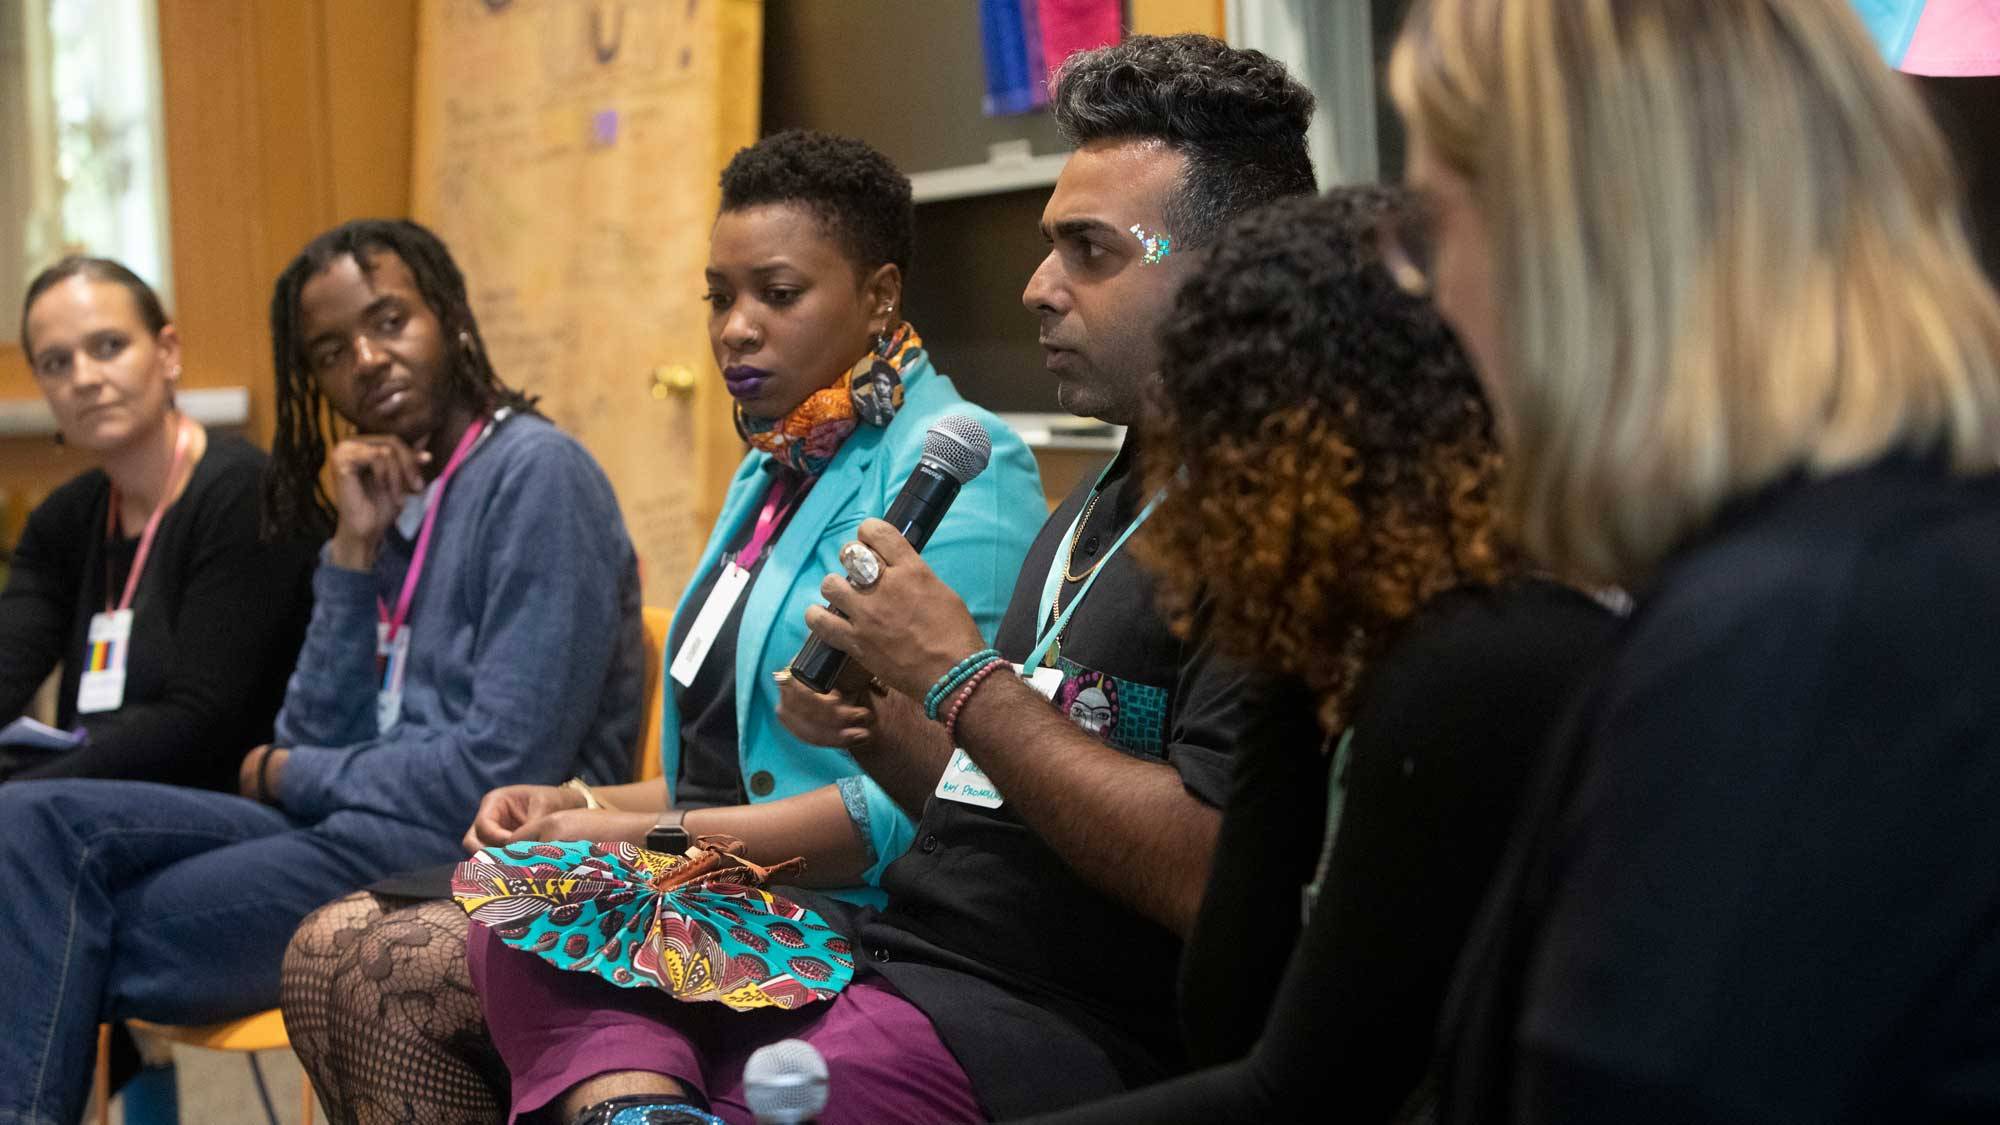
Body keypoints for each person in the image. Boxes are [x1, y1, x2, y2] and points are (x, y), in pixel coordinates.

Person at [465, 34, 1319, 1125]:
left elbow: (1209, 874)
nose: (1037, 287)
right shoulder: (1092, 509)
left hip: (1044, 1021)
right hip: (909, 965)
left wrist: (957, 674)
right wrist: (884, 724)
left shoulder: (1274, 527)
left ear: (1229, 274)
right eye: (1047, 246)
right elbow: (995, 809)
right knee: (529, 917)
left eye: (1090, 251)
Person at [278, 131, 1045, 1120]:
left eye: (776, 293)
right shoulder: (772, 465)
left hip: (848, 911)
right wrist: (580, 802)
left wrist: (639, 838)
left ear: (879, 296)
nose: (735, 329)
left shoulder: (956, 469)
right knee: (323, 952)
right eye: (720, 297)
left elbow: (921, 805)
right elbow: (722, 759)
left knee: (384, 975)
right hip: (700, 871)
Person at [1385, 0, 2000, 1120]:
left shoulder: (1785, 639)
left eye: (1430, 229)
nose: (1429, 299)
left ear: (1575, 241)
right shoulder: (1889, 553)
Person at [0, 218, 644, 1123]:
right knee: (25, 824)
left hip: (460, 851)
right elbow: (310, 727)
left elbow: (494, 773)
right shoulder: (387, 490)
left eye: (390, 322)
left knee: (52, 924)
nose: (367, 361)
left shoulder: (538, 477)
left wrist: (290, 772)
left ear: (450, 313)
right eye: (333, 350)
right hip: (342, 826)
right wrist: (349, 551)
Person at [1004, 189, 1617, 1123]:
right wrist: (1283, 664)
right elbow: (1226, 1009)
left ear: (1307, 446)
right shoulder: (1345, 646)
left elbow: (1303, 1089)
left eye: (1219, 434)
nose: (1197, 485)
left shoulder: (1478, 662)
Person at [0, 257, 317, 789]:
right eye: (56, 363)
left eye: (108, 347)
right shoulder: (65, 520)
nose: (84, 378)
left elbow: (203, 721)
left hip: (226, 799)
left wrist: (32, 790)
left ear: (167, 352)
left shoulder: (246, 493)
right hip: (84, 801)